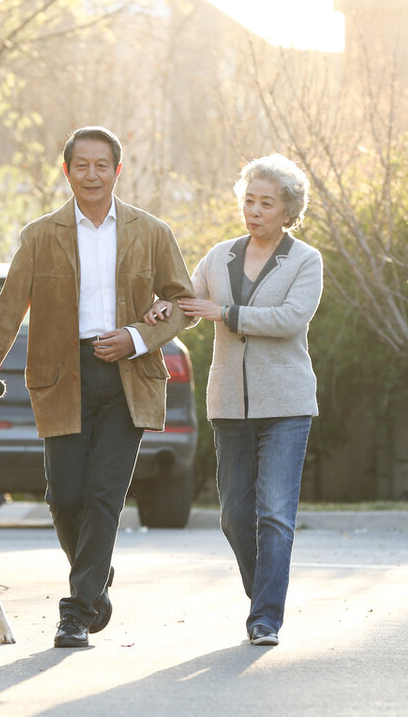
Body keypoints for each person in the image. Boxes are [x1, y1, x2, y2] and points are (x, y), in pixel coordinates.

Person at [0, 125, 193, 649]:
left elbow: (182, 302)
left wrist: (136, 337)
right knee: (64, 497)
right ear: (66, 171)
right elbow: (6, 312)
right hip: (62, 377)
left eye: (102, 165)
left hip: (128, 374)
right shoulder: (41, 235)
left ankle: (76, 612)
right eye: (81, 165)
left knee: (105, 494)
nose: (92, 174)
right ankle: (95, 575)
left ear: (117, 171)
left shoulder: (152, 231)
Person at [146, 152, 322, 646]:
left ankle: (265, 617)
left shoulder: (306, 260)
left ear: (288, 210)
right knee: (235, 517)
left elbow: (290, 319)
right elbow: (189, 304)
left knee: (275, 514)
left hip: (286, 404)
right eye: (249, 200)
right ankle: (263, 593)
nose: (255, 210)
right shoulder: (220, 255)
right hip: (229, 403)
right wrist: (163, 309)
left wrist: (223, 312)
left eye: (266, 203)